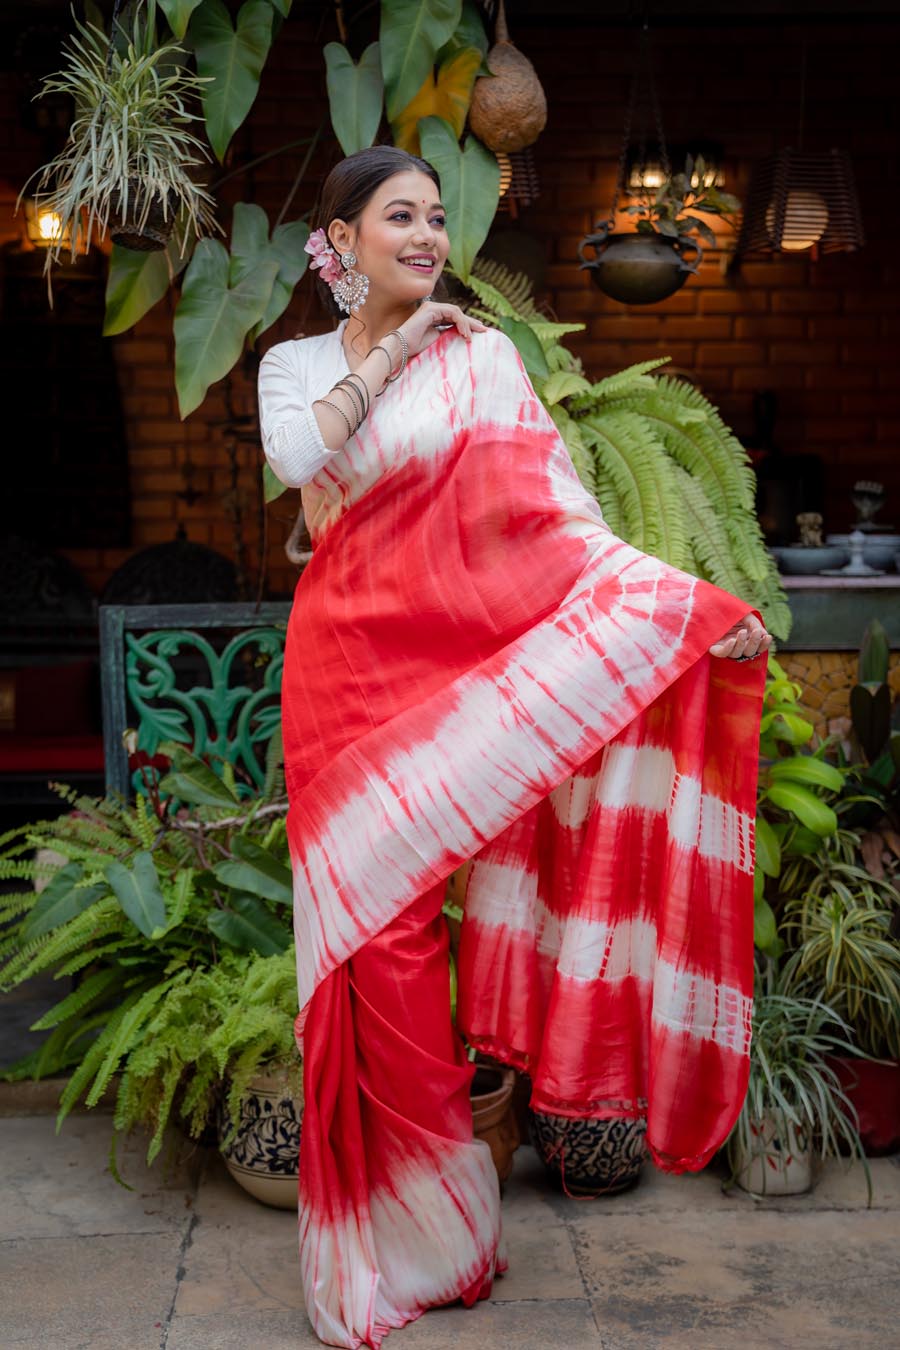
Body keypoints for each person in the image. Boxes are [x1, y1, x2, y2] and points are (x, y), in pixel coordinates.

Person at [257, 145, 773, 1350]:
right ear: (340, 243)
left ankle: (440, 1236)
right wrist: (394, 345)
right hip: (338, 679)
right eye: (402, 218)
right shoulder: (294, 364)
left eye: (439, 218)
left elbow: (559, 522)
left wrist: (688, 607)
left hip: (450, 683)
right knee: (360, 951)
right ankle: (391, 1242)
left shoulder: (486, 361)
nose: (431, 236)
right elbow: (296, 461)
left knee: (415, 944)